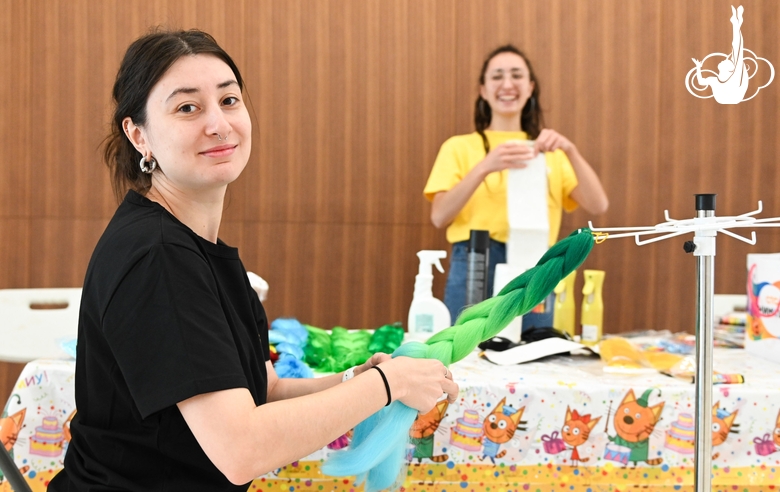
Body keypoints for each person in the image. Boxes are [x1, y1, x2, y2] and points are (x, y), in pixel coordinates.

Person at [48, 29, 458, 492]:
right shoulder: (157, 257)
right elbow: (241, 449)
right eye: (188, 108)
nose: (218, 124)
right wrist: (387, 385)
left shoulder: (201, 250)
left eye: (229, 100)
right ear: (138, 134)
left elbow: (267, 393)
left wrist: (356, 379)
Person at [424, 45, 609, 322]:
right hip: (474, 262)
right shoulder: (458, 147)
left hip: (535, 264)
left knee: (532, 347)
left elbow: (598, 204)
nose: (507, 84)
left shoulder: (549, 152)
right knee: (466, 351)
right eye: (497, 76)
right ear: (483, 90)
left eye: (516, 75)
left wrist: (570, 150)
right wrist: (486, 166)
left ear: (530, 87)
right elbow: (439, 216)